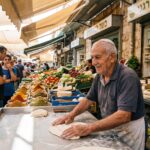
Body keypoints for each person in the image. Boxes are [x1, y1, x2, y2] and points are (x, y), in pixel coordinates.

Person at [52, 39, 145, 150]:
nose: (93, 62)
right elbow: (88, 100)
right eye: (92, 57)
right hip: (109, 126)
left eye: (98, 57)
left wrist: (88, 128)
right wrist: (71, 115)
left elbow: (124, 116)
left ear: (112, 57)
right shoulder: (99, 76)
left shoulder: (127, 76)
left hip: (129, 131)